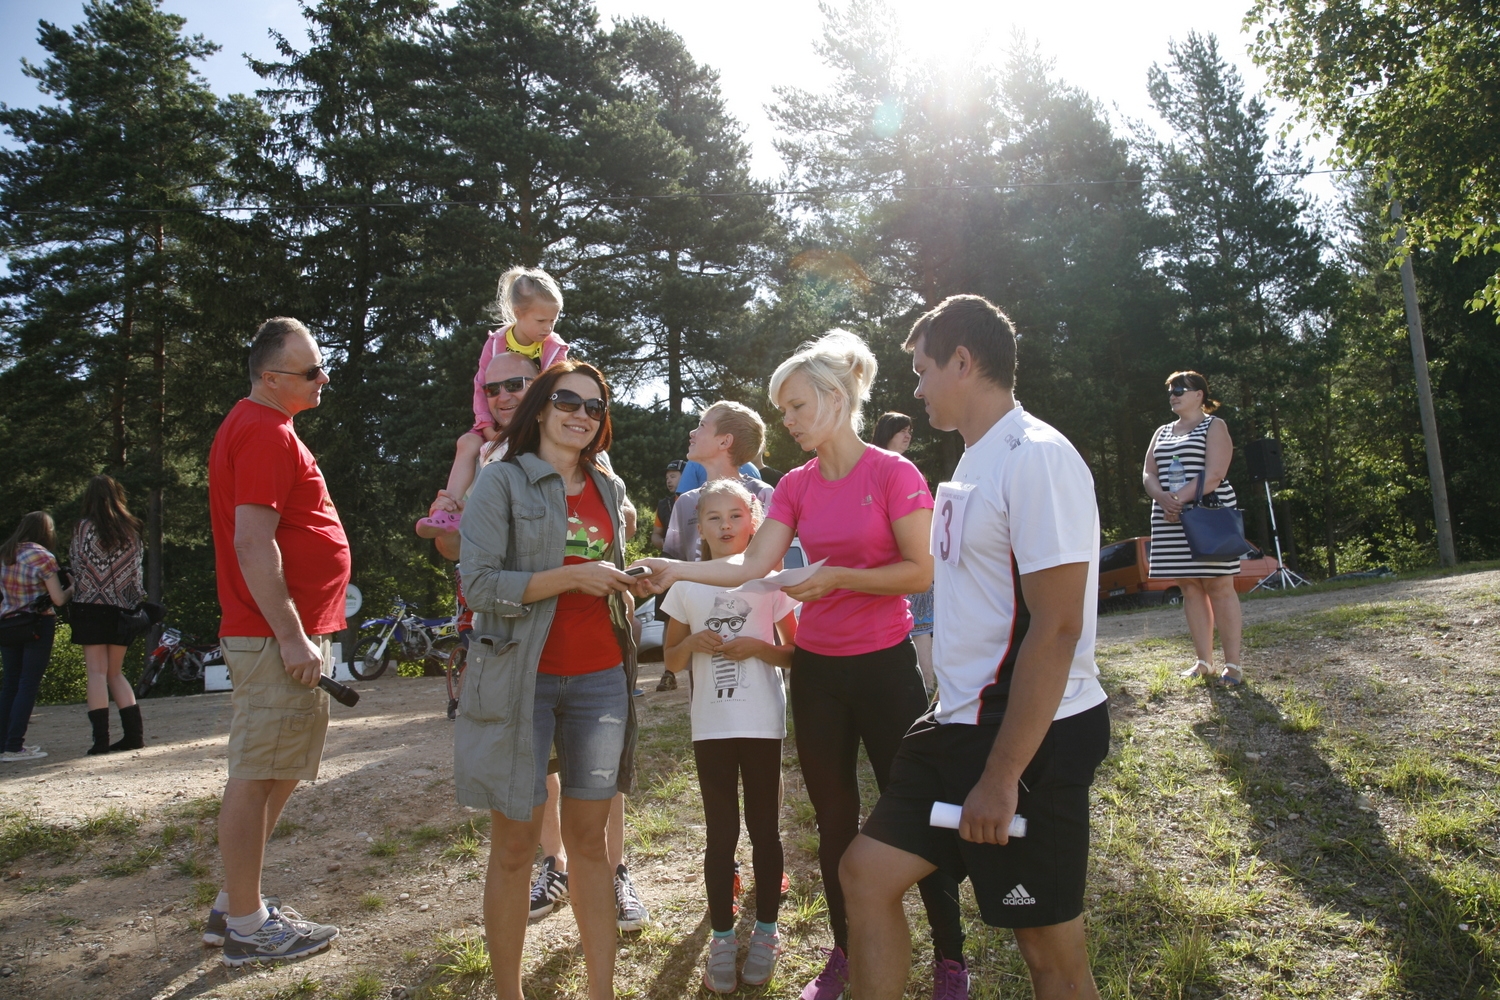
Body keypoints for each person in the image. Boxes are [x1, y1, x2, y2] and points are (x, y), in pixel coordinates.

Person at [634, 330, 969, 1000]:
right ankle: (844, 956)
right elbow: (753, 564)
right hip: (818, 674)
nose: (784, 421)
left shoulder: (893, 473)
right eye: (781, 408)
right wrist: (677, 567)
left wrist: (840, 575)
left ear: (836, 397)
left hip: (885, 669)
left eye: (793, 406)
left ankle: (950, 962)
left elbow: (922, 569)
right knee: (834, 820)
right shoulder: (793, 484)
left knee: (918, 810)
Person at [841, 294, 1111, 1000]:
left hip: (1027, 738)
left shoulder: (1038, 458)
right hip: (953, 723)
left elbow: (1056, 627)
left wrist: (1000, 775)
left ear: (964, 361)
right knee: (865, 874)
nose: (919, 388)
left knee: (1047, 947)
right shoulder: (970, 465)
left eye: (926, 370)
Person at [457, 359, 640, 1000]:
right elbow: (477, 585)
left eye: (595, 407)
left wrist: (630, 580)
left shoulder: (610, 490)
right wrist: (569, 577)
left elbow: (605, 577)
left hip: (600, 682)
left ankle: (602, 994)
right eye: (568, 400)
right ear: (540, 406)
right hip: (520, 681)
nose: (582, 415)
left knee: (591, 844)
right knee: (514, 847)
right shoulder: (501, 482)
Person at [205, 316, 346, 966]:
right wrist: (291, 637)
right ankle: (245, 926)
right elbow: (253, 543)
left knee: (280, 765)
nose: (323, 379)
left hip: (286, 633)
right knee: (258, 771)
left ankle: (237, 900)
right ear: (271, 377)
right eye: (311, 370)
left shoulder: (269, 427)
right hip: (272, 637)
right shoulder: (262, 431)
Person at [661, 480, 799, 993]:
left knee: (765, 829)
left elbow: (795, 653)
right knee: (721, 834)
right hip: (711, 729)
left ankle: (765, 931)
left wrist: (759, 650)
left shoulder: (771, 583)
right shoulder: (684, 586)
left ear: (754, 522)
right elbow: (671, 660)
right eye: (712, 517)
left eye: (735, 515)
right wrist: (693, 642)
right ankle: (722, 937)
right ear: (700, 528)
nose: (724, 525)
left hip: (763, 725)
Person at [419, 267, 570, 533]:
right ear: (518, 314)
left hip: (534, 422)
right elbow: (481, 387)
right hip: (495, 423)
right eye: (541, 321)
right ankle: (448, 509)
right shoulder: (496, 343)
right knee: (467, 442)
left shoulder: (555, 348)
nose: (547, 328)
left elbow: (555, 390)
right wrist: (487, 427)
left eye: (553, 321)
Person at [1141, 370, 1243, 686]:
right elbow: (1148, 474)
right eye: (1170, 388)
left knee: (1219, 587)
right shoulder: (1161, 431)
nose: (1173, 393)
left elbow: (1214, 474)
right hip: (1170, 520)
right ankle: (1203, 662)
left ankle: (1233, 666)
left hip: (1207, 516)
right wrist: (1163, 499)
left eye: (1180, 388)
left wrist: (1177, 499)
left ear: (1199, 394)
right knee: (1190, 588)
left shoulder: (1215, 426)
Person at [68, 474, 148, 754]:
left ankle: (100, 741)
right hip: (123, 609)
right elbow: (137, 574)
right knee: (115, 672)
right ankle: (134, 736)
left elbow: (76, 566)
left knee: (96, 673)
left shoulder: (82, 528)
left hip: (90, 607)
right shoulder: (131, 530)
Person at [662, 402, 776, 563]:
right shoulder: (685, 502)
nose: (692, 433)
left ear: (724, 441)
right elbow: (673, 562)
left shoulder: (761, 494)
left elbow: (771, 562)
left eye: (701, 426)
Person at [0, 512, 72, 761]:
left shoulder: (5, 552)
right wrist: (73, 585)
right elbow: (58, 599)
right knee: (28, 684)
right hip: (37, 623)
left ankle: (3, 744)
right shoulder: (43, 556)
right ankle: (14, 745)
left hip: (8, 623)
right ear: (45, 531)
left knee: (9, 683)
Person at [873, 411, 934, 695]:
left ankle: (926, 686)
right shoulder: (871, 466)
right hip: (884, 564)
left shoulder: (910, 469)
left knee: (921, 628)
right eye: (901, 430)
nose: (908, 435)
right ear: (888, 432)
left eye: (910, 430)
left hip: (913, 562)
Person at [675, 457, 761, 495]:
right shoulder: (753, 468)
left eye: (702, 426)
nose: (692, 433)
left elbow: (683, 506)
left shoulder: (694, 463)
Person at [651, 460, 686, 551]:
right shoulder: (664, 505)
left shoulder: (700, 500)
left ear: (685, 477)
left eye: (672, 477)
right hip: (672, 557)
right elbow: (656, 534)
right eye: (667, 478)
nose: (668, 481)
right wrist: (664, 543)